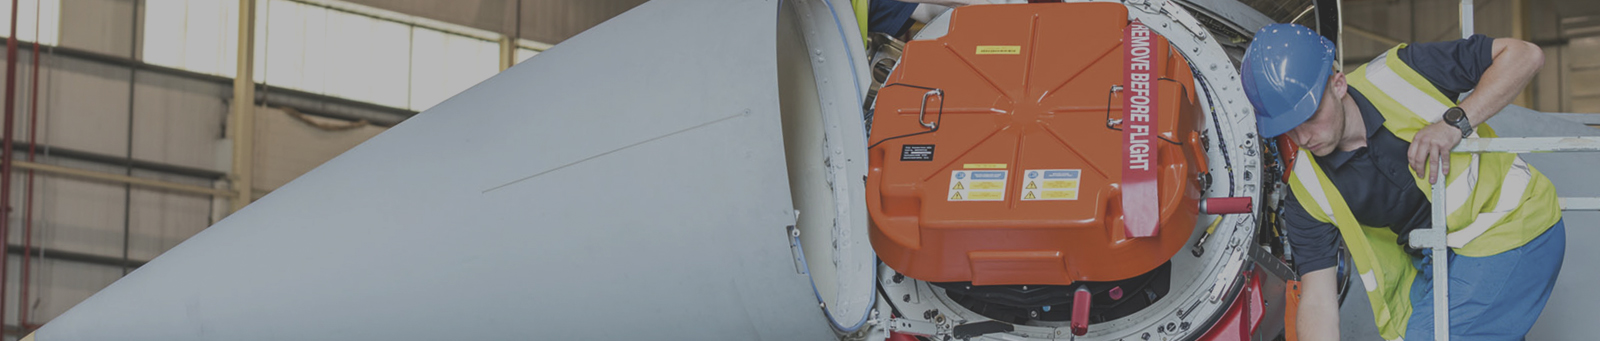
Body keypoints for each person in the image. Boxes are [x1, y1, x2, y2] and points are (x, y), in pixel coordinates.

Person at [1240, 24, 1564, 340]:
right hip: (1441, 259)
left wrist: (1454, 124)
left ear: (1338, 84)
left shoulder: (1402, 74)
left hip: (1512, 223)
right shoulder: (1307, 191)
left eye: (1309, 116)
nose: (1303, 138)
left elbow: (1525, 55)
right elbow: (1317, 302)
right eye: (1288, 128)